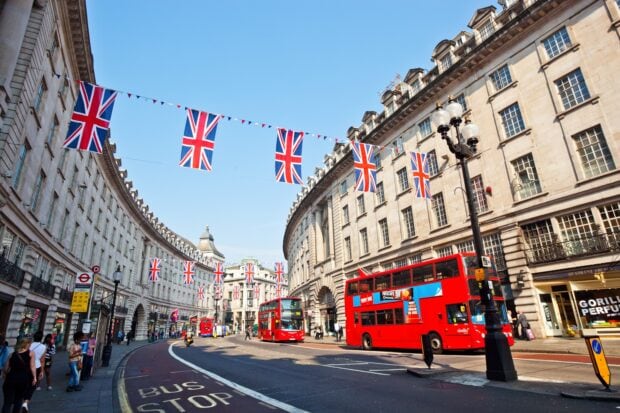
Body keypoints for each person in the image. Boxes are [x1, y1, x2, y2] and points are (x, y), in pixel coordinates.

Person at [2, 336, 36, 413]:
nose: (30, 345)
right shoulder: (31, 353)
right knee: (18, 400)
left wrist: (4, 374)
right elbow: (32, 366)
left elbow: (5, 368)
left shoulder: (12, 354)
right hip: (23, 380)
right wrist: (34, 377)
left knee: (7, 402)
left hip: (10, 379)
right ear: (26, 344)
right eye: (29, 343)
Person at [22, 331, 46, 412]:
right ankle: (25, 402)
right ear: (41, 338)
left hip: (26, 366)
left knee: (25, 382)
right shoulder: (43, 347)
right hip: (37, 366)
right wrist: (42, 371)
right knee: (32, 385)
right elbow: (42, 360)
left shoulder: (29, 345)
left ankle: (22, 397)